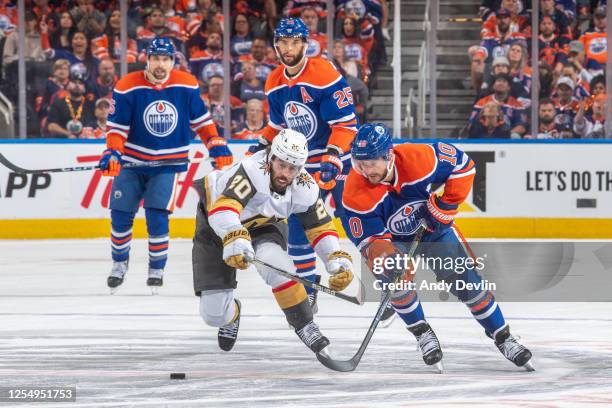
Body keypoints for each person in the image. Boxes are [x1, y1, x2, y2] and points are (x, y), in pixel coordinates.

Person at [343, 122, 534, 372]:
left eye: (371, 163)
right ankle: (423, 333)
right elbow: (369, 241)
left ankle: (503, 337)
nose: (366, 170)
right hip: (393, 239)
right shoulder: (355, 192)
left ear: (388, 155)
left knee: (468, 283)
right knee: (396, 280)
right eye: (360, 163)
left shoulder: (418, 159)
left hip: (436, 232)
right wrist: (388, 259)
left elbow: (464, 165)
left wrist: (446, 206)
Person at [192, 129, 353, 354]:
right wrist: (234, 235)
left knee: (279, 267)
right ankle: (232, 315)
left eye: (293, 168)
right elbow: (223, 209)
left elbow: (321, 227)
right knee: (213, 315)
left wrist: (335, 259)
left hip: (263, 224)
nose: (286, 174)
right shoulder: (252, 169)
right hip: (216, 224)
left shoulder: (305, 186)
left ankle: (306, 325)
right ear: (271, 157)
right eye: (282, 165)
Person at [98, 37, 233, 294]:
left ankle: (156, 269)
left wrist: (215, 143)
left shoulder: (186, 84)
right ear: (147, 59)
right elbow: (116, 129)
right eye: (156, 58)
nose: (160, 64)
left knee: (157, 216)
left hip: (166, 165)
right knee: (120, 215)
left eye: (166, 59)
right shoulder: (127, 86)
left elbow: (202, 123)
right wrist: (113, 152)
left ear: (173, 61)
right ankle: (119, 264)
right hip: (131, 163)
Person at [249, 17, 358, 313]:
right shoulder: (273, 81)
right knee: (297, 228)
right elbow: (277, 124)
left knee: (358, 224)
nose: (288, 47)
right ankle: (309, 288)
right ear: (275, 45)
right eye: (283, 42)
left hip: (341, 162)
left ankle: (385, 283)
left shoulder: (324, 73)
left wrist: (333, 155)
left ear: (305, 44)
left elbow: (346, 124)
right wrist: (261, 144)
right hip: (302, 167)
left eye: (294, 41)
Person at [46, 68, 96, 138]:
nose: (77, 85)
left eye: (80, 83)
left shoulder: (90, 104)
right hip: (63, 142)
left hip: (86, 142)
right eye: (74, 82)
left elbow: (96, 124)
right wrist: (68, 134)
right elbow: (51, 126)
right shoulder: (58, 102)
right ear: (68, 84)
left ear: (85, 88)